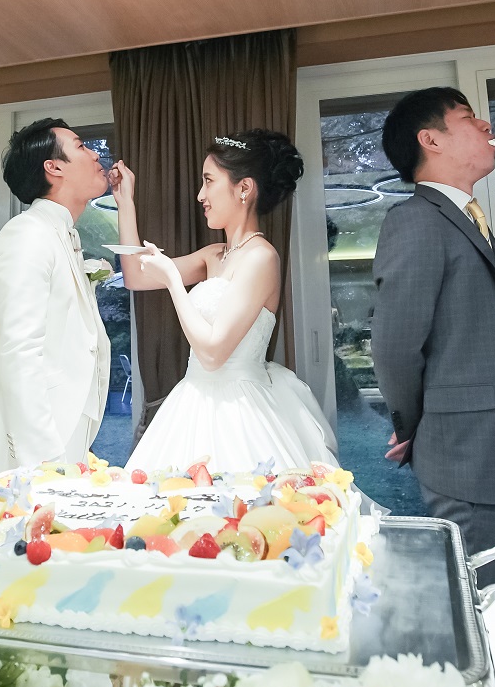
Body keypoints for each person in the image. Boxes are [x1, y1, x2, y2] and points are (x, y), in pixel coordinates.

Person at [372, 88, 495, 564]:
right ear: (431, 140)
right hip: (470, 456)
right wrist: (414, 426)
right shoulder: (416, 220)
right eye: (467, 117)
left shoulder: (468, 218)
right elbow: (395, 346)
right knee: (488, 592)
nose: (484, 125)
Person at [119, 129, 337, 474]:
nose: (200, 195)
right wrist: (125, 203)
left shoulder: (261, 257)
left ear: (244, 188)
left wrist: (173, 280)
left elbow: (213, 353)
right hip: (191, 401)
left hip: (239, 411)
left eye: (209, 181)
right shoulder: (214, 254)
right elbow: (135, 275)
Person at [0, 119, 112, 481]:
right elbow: (18, 350)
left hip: (68, 427)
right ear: (53, 167)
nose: (95, 154)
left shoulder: (60, 233)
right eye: (81, 146)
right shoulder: (26, 234)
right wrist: (45, 461)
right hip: (39, 445)